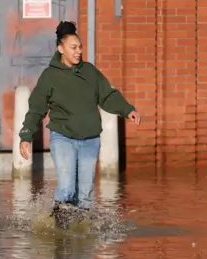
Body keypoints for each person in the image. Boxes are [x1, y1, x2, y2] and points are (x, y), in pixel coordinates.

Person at [18, 21, 141, 225]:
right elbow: (36, 108)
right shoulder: (50, 76)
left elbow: (107, 95)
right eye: (73, 48)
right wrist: (26, 136)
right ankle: (60, 233)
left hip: (90, 140)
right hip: (63, 137)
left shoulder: (90, 72)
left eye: (80, 47)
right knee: (67, 189)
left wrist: (127, 110)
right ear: (61, 48)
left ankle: (79, 237)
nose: (79, 52)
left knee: (84, 195)